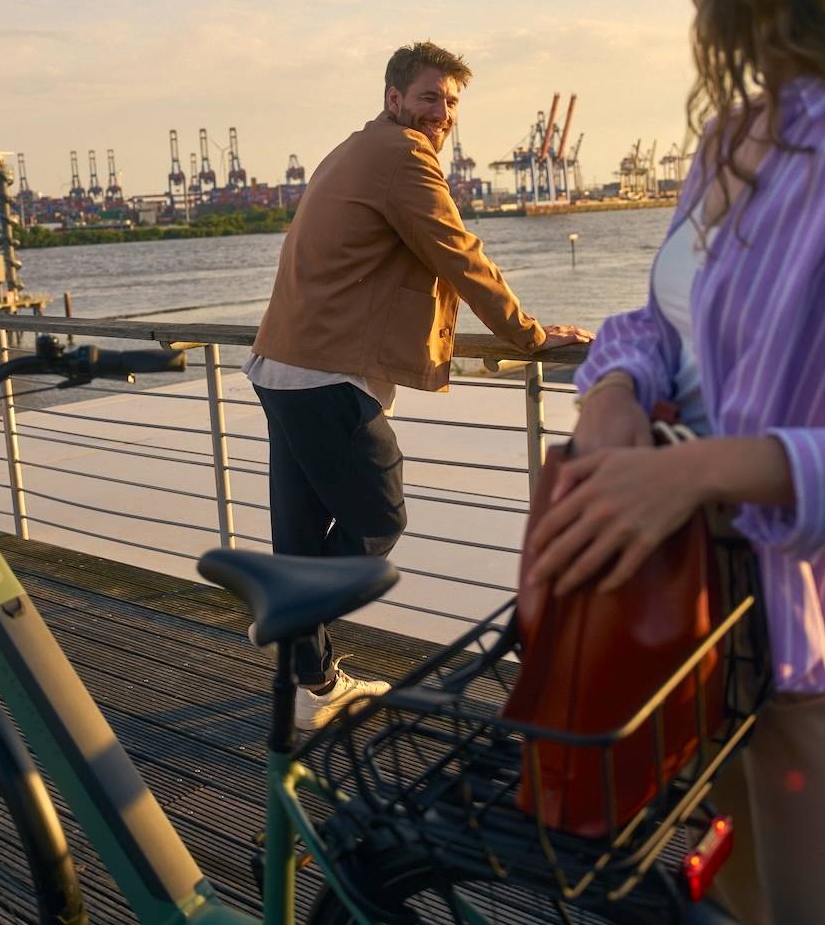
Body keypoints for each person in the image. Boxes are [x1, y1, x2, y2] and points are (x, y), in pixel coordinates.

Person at [527, 0, 825, 925]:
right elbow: (662, 320)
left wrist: (696, 469)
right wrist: (611, 391)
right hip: (697, 631)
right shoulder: (728, 137)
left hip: (813, 651)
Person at [246, 40, 591, 730]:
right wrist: (529, 336)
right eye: (431, 98)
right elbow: (460, 254)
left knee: (303, 538)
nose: (442, 114)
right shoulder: (401, 156)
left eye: (452, 102)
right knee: (379, 515)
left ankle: (313, 674)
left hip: (283, 366)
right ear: (394, 98)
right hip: (323, 373)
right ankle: (292, 619)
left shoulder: (355, 148)